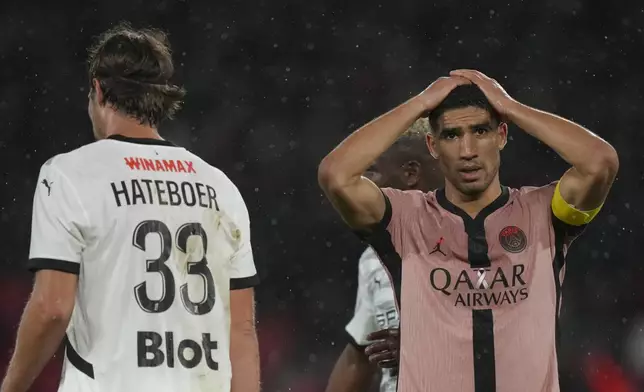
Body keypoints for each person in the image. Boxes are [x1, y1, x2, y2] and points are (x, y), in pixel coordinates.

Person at [318, 70, 618, 392]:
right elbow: (336, 175)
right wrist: (420, 104)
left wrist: (510, 106)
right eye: (451, 135)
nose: (467, 150)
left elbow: (600, 162)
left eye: (480, 131)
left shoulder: (543, 213)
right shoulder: (405, 219)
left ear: (502, 135)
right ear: (432, 145)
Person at [0, 23, 260, 392]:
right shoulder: (221, 187)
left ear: (98, 90)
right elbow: (242, 329)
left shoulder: (69, 173)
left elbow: (53, 307)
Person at [325, 121, 442, 392]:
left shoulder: (475, 242)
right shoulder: (372, 257)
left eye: (370, 173)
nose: (360, 185)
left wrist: (426, 350)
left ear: (410, 174)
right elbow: (358, 356)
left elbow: (509, 336)